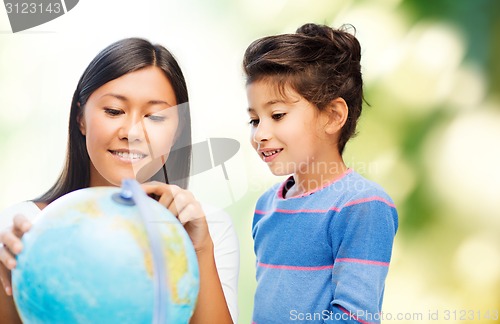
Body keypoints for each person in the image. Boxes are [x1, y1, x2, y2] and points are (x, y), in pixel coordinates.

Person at [0, 38, 238, 323]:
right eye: (114, 111)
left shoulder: (207, 228)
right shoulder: (21, 228)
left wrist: (200, 249)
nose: (132, 132)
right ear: (81, 118)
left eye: (155, 116)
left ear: (177, 130)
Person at [243, 23, 398, 323]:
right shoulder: (266, 206)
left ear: (333, 116)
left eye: (277, 115)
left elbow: (355, 317)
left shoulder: (362, 205)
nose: (259, 134)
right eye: (253, 120)